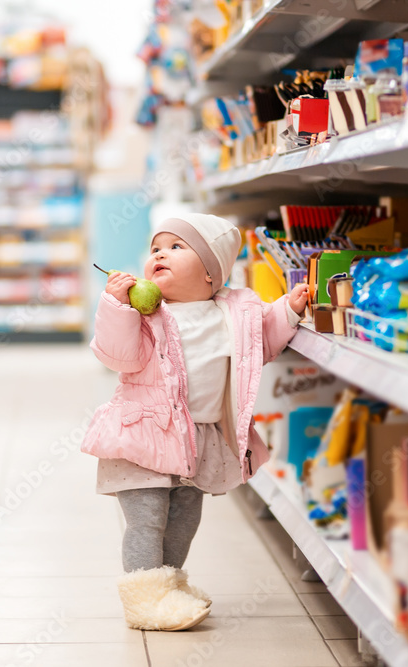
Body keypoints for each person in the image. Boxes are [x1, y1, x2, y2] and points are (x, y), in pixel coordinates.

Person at [82, 213, 309, 631]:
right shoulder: (145, 314)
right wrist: (115, 306)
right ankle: (144, 600)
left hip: (197, 442)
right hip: (144, 434)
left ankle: (167, 586)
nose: (159, 255)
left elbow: (259, 342)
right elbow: (116, 354)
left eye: (175, 247)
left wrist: (289, 312)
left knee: (184, 522)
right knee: (147, 519)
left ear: (211, 273)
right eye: (155, 249)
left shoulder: (234, 313)